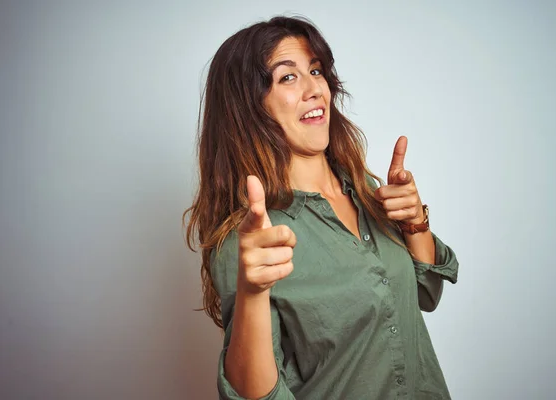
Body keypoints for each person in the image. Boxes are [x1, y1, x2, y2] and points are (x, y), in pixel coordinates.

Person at [184, 15, 459, 400]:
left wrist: (416, 224)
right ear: (248, 108)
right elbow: (255, 395)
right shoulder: (251, 240)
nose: (315, 88)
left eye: (315, 70)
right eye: (287, 77)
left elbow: (425, 294)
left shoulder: (365, 189)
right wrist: (251, 292)